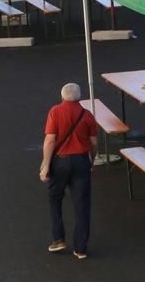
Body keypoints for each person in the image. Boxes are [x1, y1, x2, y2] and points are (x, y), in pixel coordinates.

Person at [40, 82, 100, 259]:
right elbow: (94, 143)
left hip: (60, 162)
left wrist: (45, 165)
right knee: (82, 204)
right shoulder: (87, 115)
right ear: (79, 96)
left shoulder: (55, 112)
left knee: (55, 198)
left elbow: (50, 140)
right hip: (81, 161)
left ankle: (59, 239)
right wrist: (92, 159)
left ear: (62, 96)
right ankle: (81, 248)